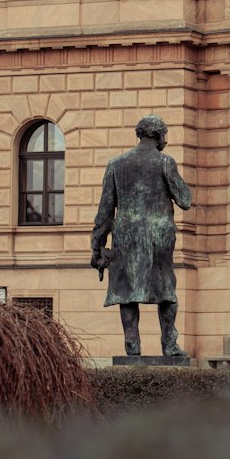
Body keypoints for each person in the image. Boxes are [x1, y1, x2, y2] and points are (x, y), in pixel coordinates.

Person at [91, 115, 192, 358]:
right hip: (158, 235)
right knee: (166, 290)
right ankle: (169, 345)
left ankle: (132, 347)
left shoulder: (116, 164)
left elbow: (105, 211)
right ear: (158, 136)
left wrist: (97, 246)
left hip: (125, 235)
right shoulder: (165, 162)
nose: (165, 140)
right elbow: (185, 200)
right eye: (164, 136)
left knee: (126, 291)